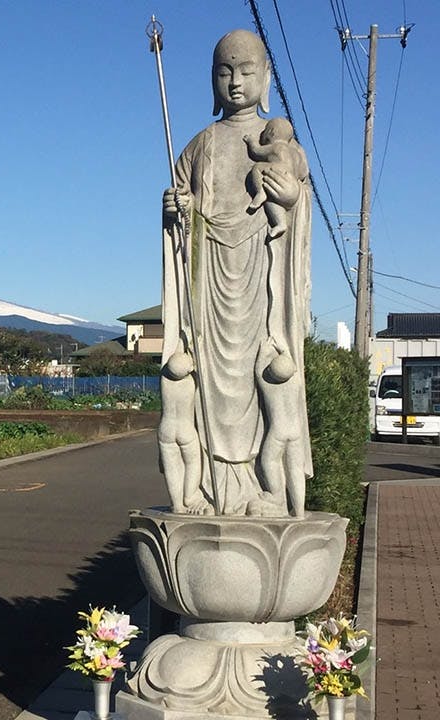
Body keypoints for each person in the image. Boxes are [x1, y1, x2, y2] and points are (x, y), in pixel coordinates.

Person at [159, 29, 312, 517]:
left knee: (257, 376)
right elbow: (179, 208)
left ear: (265, 78)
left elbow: (296, 201)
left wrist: (289, 198)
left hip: (259, 277)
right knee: (209, 382)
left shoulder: (279, 140)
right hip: (207, 284)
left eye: (246, 71)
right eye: (225, 72)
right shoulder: (198, 146)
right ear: (212, 81)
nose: (236, 82)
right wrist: (174, 209)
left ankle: (263, 493)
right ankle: (208, 489)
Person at [243, 117, 309, 239]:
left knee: (257, 168)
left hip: (277, 175)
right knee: (272, 198)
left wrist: (251, 141)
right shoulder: (296, 153)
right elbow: (303, 173)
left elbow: (256, 151)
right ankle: (280, 223)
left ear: (271, 133)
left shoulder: (276, 147)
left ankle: (260, 192)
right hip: (293, 189)